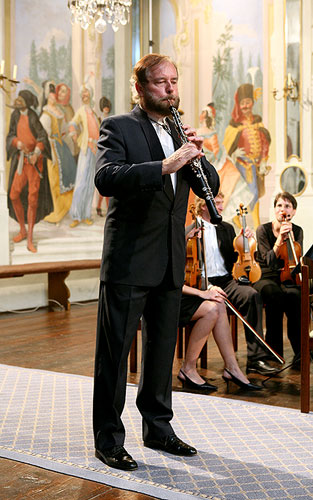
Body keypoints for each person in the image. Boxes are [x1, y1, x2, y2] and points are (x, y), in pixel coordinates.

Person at [93, 53, 220, 471]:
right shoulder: (119, 127)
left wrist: (197, 156)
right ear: (141, 88)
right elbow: (107, 178)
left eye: (175, 82)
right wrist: (165, 165)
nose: (171, 89)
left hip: (168, 258)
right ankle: (108, 439)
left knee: (161, 351)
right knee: (115, 357)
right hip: (129, 260)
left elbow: (209, 187)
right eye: (161, 83)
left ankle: (158, 428)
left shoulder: (179, 130)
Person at [187, 193, 279, 376]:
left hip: (226, 280)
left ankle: (255, 359)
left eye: (222, 203)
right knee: (217, 303)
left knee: (251, 295)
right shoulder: (190, 230)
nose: (221, 207)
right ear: (204, 206)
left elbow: (234, 257)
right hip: (203, 282)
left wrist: (245, 240)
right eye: (217, 203)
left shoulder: (226, 228)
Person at [178, 283, 262, 392]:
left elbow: (198, 275)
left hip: (187, 294)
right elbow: (173, 281)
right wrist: (202, 293)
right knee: (211, 310)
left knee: (220, 303)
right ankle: (188, 369)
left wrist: (209, 287)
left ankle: (232, 368)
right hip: (170, 296)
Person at [254, 192, 302, 364]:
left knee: (295, 296)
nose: (283, 209)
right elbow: (268, 260)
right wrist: (279, 238)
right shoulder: (263, 230)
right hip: (265, 275)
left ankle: (300, 353)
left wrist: (290, 238)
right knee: (274, 294)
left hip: (286, 275)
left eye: (287, 206)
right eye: (280, 205)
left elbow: (294, 258)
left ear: (294, 211)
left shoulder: (297, 230)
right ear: (274, 209)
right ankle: (274, 352)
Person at [6, 90, 52, 252]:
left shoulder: (33, 116)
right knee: (13, 195)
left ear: (26, 101)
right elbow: (10, 135)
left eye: (21, 100)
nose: (17, 102)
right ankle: (22, 230)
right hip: (21, 162)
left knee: (33, 200)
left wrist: (37, 152)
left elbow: (42, 138)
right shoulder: (15, 115)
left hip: (34, 163)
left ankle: (30, 238)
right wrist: (17, 143)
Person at [223, 83, 271, 229]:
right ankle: (239, 221)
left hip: (255, 165)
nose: (245, 106)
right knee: (245, 194)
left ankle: (255, 223)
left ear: (252, 102)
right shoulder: (235, 124)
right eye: (242, 103)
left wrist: (263, 161)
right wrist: (234, 153)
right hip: (242, 165)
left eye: (247, 102)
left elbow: (264, 143)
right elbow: (228, 145)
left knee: (255, 194)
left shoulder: (258, 122)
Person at [197, 103, 251, 222]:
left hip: (206, 162)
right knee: (231, 173)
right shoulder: (209, 133)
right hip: (209, 163)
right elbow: (216, 152)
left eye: (203, 114)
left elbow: (216, 152)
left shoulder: (200, 132)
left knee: (232, 172)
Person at [40, 92, 77, 223]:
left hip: (61, 146)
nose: (53, 99)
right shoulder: (46, 114)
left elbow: (64, 129)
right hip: (52, 147)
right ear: (47, 99)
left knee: (69, 173)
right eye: (50, 97)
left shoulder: (58, 111)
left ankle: (66, 207)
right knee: (54, 178)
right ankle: (56, 209)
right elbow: (44, 133)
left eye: (54, 97)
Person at [69, 82, 100, 227]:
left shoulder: (93, 112)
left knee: (90, 184)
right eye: (83, 93)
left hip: (95, 149)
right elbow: (73, 124)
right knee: (81, 182)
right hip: (86, 148)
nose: (85, 95)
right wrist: (74, 134)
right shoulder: (81, 110)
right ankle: (76, 215)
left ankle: (86, 215)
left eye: (87, 93)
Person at [96, 96, 112, 217]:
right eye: (104, 107)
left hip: (110, 149)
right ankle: (99, 206)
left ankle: (104, 207)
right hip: (100, 149)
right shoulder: (98, 119)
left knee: (108, 182)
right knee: (103, 182)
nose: (106, 109)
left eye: (107, 107)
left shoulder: (111, 119)